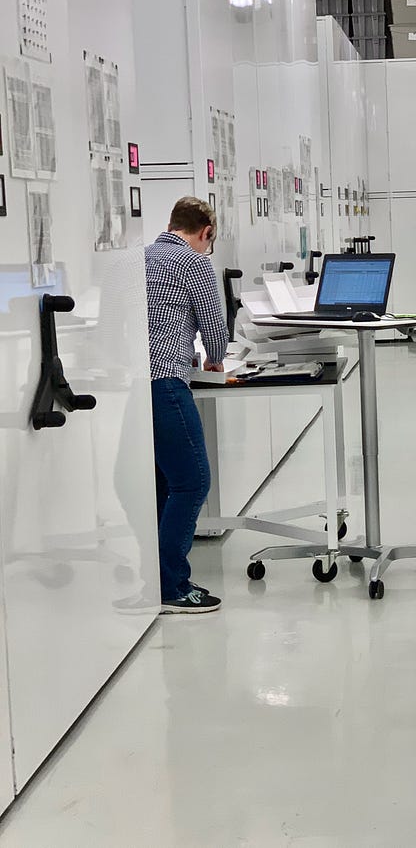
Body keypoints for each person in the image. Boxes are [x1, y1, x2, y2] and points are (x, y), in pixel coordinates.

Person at [146, 197, 229, 614]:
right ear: (205, 233)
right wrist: (214, 358)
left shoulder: (140, 260)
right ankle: (172, 586)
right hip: (165, 383)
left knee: (162, 483)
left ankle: (154, 577)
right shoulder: (195, 263)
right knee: (193, 481)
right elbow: (215, 330)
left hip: (132, 387)